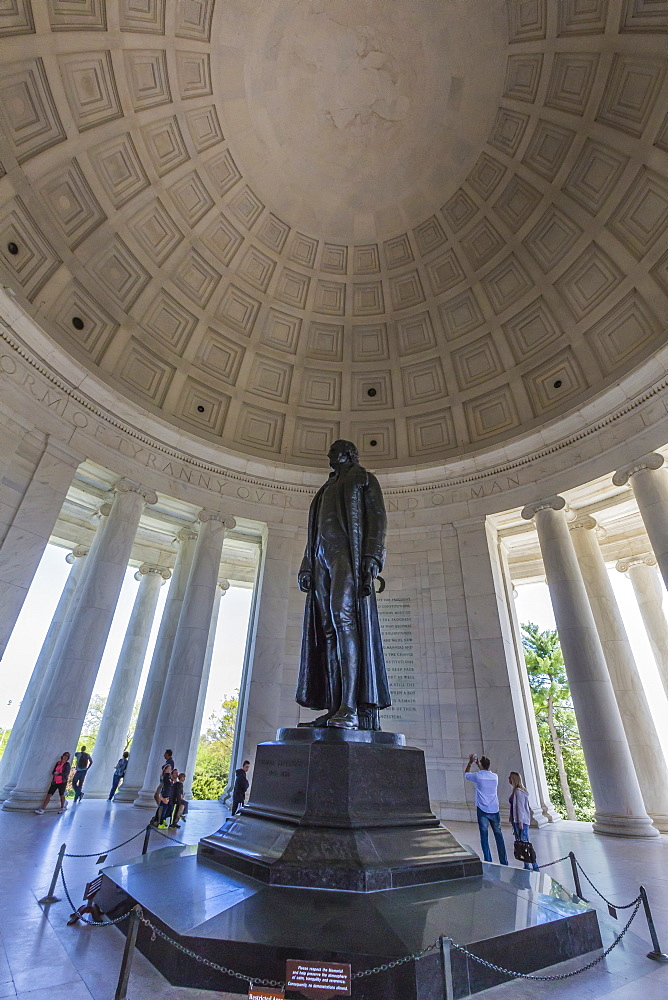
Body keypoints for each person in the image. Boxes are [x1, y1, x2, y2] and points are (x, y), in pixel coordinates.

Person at [297, 440, 390, 730]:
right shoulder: (324, 490)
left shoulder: (363, 479)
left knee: (344, 620)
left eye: (334, 452)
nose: (329, 456)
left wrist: (373, 556)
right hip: (322, 558)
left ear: (348, 454)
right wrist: (307, 564)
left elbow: (377, 519)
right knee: (326, 631)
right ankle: (334, 705)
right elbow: (314, 533)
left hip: (346, 557)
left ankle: (350, 707)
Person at [465, 753, 508, 866]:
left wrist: (470, 763)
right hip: (494, 809)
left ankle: (488, 861)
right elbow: (484, 770)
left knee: (484, 836)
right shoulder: (495, 776)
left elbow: (466, 774)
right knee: (499, 836)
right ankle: (504, 861)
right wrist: (480, 764)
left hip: (482, 810)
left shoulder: (478, 776)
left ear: (481, 765)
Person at [509, 771, 539, 872]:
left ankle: (534, 865)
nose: (508, 779)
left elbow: (520, 808)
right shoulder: (517, 791)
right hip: (517, 820)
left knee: (525, 843)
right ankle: (527, 865)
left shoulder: (518, 792)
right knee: (522, 844)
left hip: (520, 821)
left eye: (510, 778)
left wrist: (520, 822)